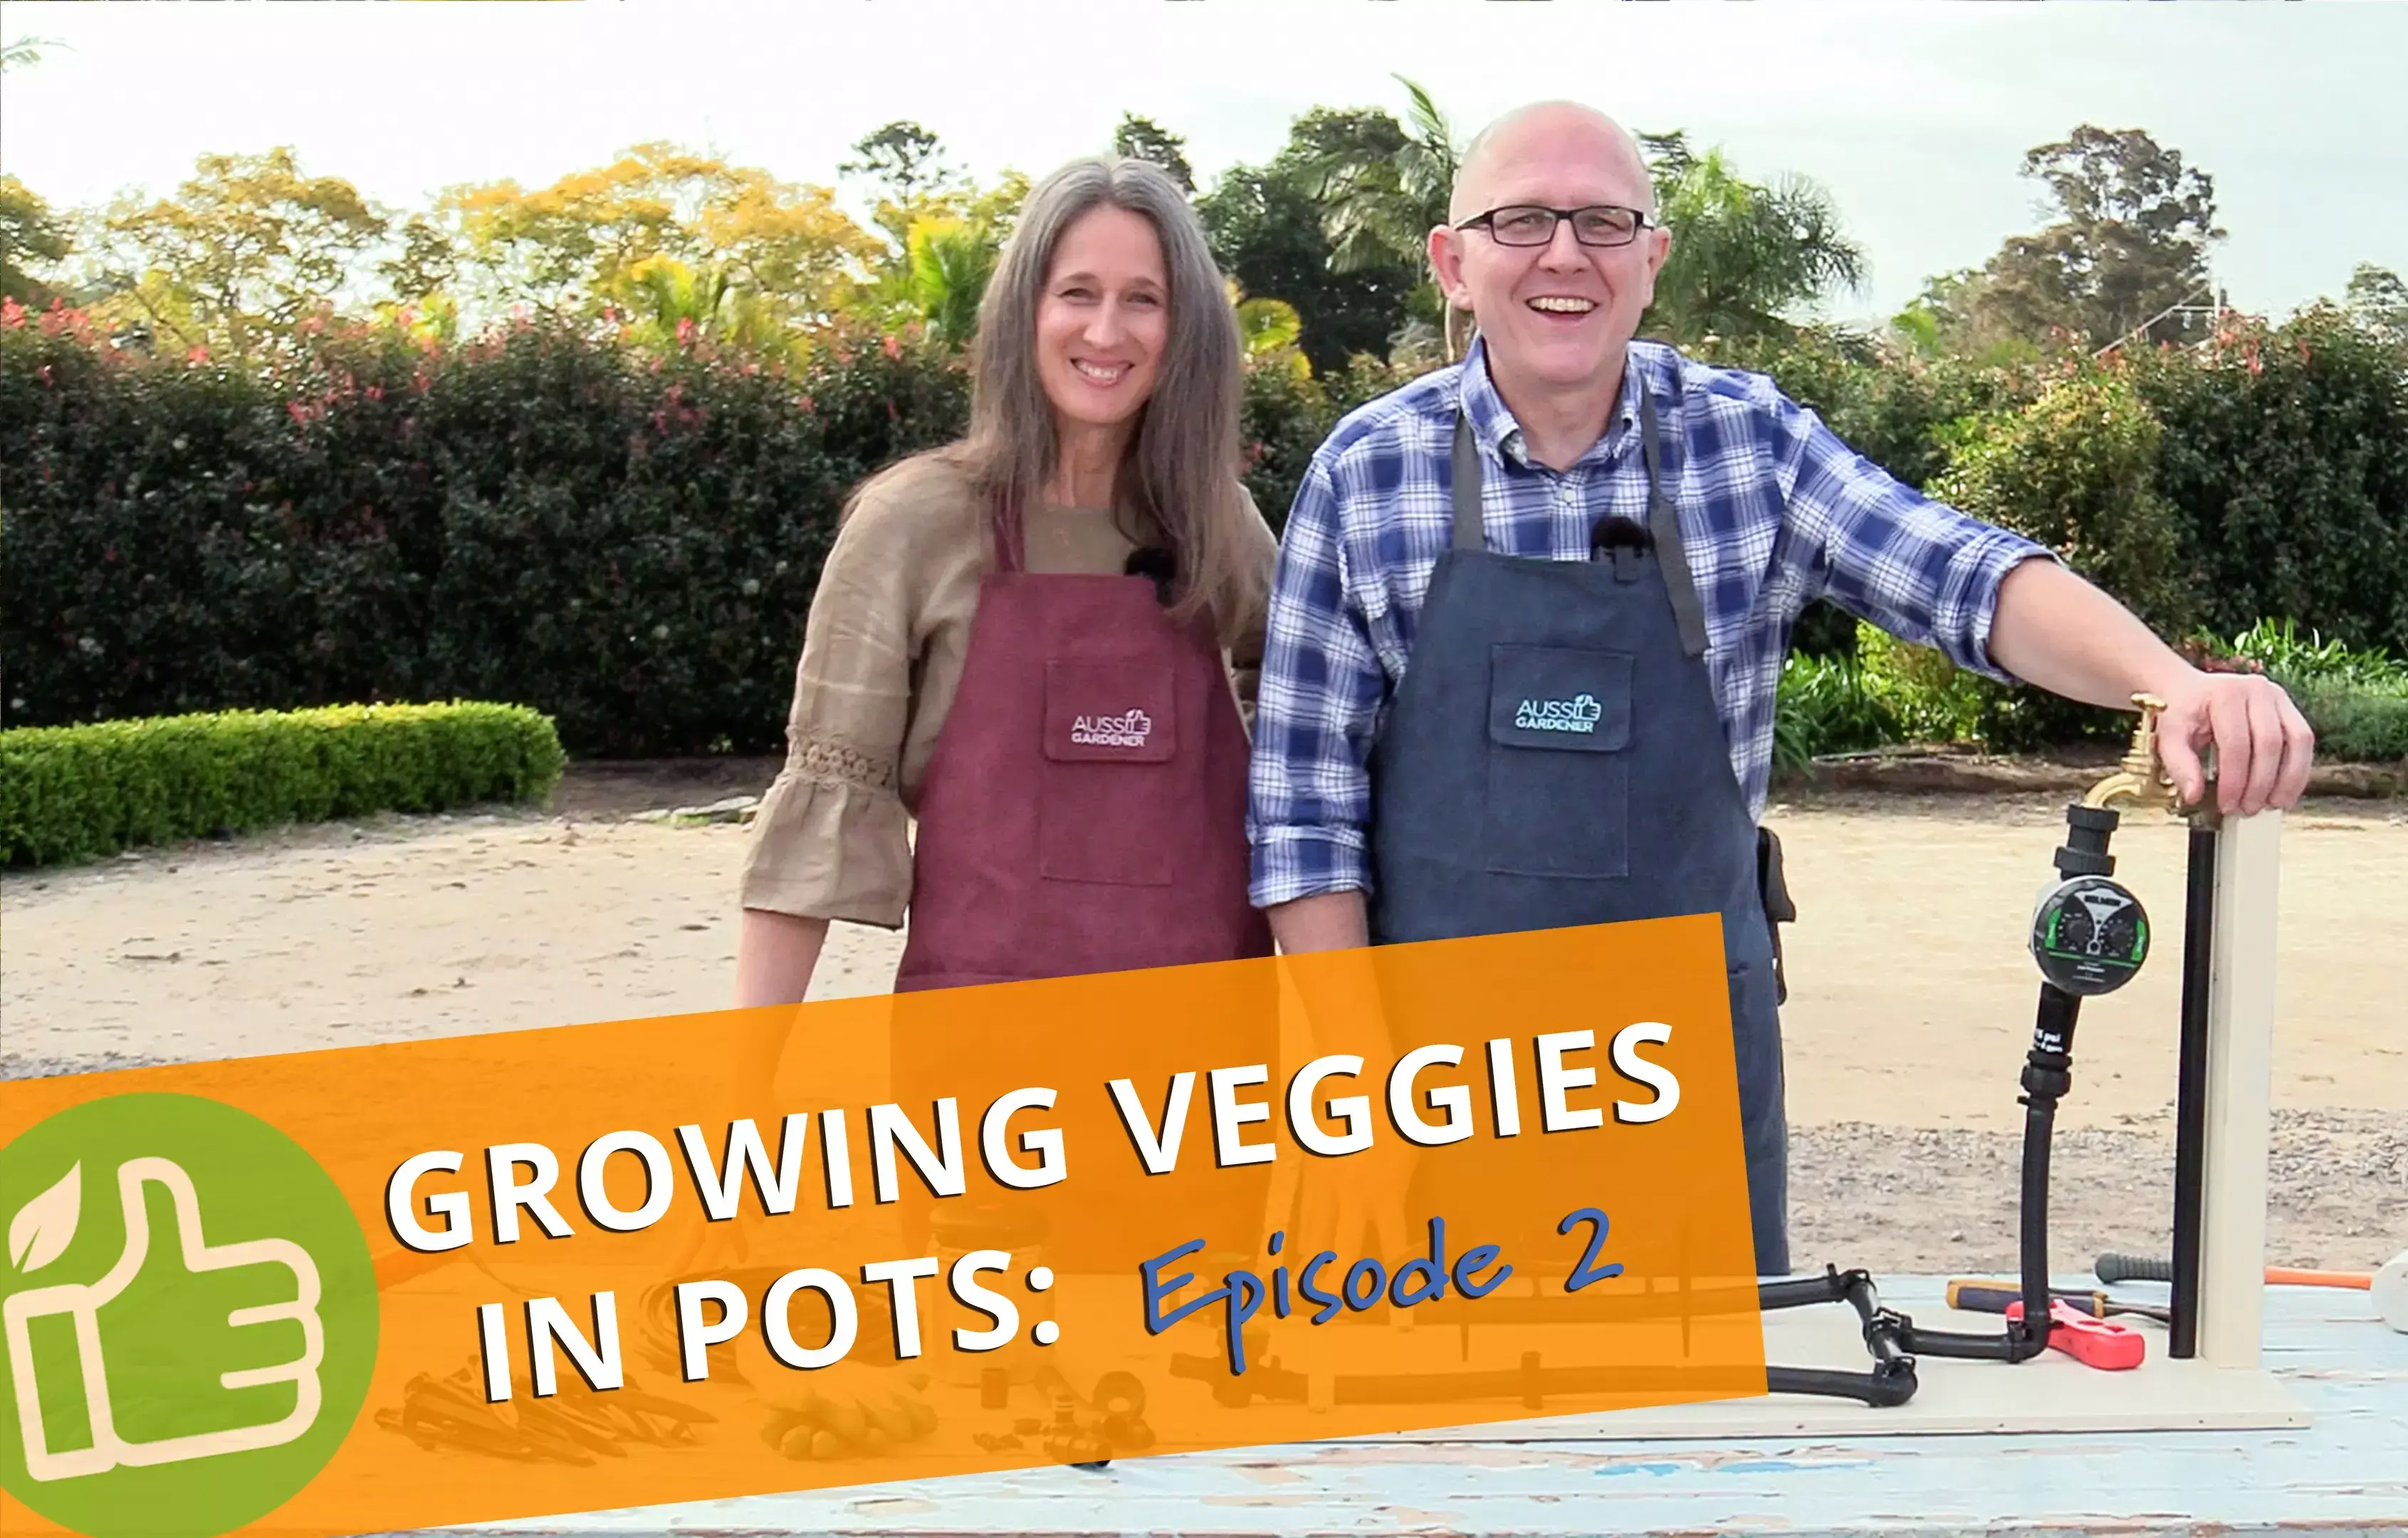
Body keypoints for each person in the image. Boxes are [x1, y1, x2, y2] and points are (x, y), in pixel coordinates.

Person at [1245, 102, 2315, 1280]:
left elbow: (1957, 574)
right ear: (1456, 262)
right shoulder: (1364, 472)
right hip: (1432, 1080)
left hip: (1681, 1069)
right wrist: (1360, 1107)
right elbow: (1305, 825)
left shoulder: (1747, 445)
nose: (1564, 255)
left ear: (1653, 261)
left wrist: (2168, 685)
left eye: (1605, 223)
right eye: (1522, 221)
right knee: (1435, 1446)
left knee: (1701, 1445)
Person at [733, 154, 1280, 1012]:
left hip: (1203, 1054)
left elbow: (1304, 744)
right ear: (1023, 310)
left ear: (1187, 331)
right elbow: (827, 805)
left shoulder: (1221, 526)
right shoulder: (915, 522)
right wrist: (745, 1091)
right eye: (1077, 293)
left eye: (1144, 299)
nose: (1106, 332)